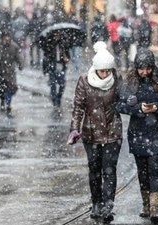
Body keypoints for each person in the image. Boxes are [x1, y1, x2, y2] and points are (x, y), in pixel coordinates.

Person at [116, 48, 158, 224]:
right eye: (141, 68)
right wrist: (138, 109)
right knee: (142, 171)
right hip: (138, 134)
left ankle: (155, 209)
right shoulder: (129, 83)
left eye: (148, 68)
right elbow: (120, 106)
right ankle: (146, 205)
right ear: (136, 68)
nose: (144, 72)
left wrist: (157, 107)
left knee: (155, 170)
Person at [68, 41, 123, 222]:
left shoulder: (117, 80)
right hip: (91, 134)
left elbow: (124, 100)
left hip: (112, 133)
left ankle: (108, 204)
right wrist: (74, 128)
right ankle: (96, 202)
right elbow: (78, 107)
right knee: (94, 170)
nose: (105, 74)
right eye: (102, 71)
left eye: (108, 70)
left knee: (109, 170)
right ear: (95, 68)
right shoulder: (85, 80)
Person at [0, 31, 23, 113]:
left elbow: (18, 57)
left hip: (10, 72)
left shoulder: (14, 47)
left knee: (10, 88)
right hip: (0, 72)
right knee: (1, 89)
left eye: (8, 36)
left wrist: (20, 65)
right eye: (5, 36)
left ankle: (8, 104)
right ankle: (2, 101)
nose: (7, 38)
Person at [41, 30, 71, 108]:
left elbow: (68, 55)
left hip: (61, 66)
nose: (57, 36)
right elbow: (46, 56)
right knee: (53, 84)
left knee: (62, 84)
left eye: (58, 34)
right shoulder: (49, 44)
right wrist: (45, 69)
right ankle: (54, 99)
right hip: (52, 66)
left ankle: (59, 97)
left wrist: (66, 58)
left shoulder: (64, 44)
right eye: (56, 34)